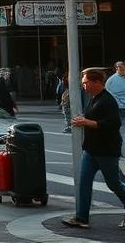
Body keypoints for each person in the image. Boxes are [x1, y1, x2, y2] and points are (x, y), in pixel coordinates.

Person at [61, 68, 125, 230]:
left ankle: (81, 217)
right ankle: (82, 217)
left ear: (97, 82)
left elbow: (113, 124)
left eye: (85, 83)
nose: (83, 86)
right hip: (91, 150)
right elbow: (93, 117)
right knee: (83, 183)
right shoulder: (94, 98)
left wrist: (87, 122)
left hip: (106, 151)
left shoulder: (108, 101)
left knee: (114, 184)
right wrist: (84, 119)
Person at [105, 62, 125, 154]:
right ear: (116, 68)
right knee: (118, 131)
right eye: (119, 66)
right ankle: (117, 150)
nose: (121, 68)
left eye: (122, 65)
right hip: (118, 108)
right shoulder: (111, 80)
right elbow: (109, 95)